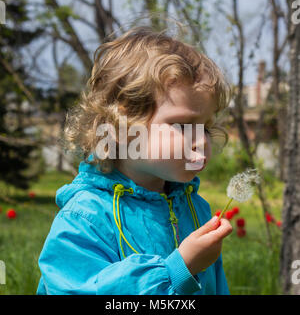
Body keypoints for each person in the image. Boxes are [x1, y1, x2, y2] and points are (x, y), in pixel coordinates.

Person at [36, 26, 233, 295]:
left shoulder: (195, 208)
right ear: (123, 125)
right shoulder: (87, 216)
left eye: (206, 127)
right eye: (183, 126)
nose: (201, 140)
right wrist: (178, 270)